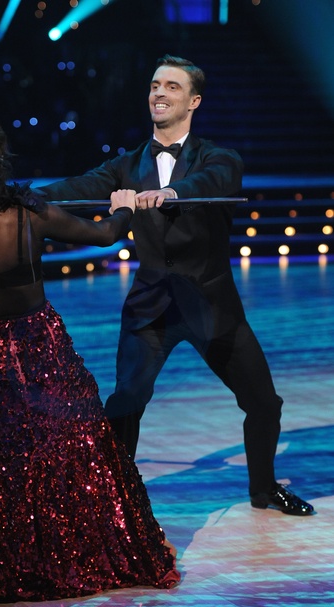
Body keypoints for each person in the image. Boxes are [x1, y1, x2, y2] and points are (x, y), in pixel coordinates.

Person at [0, 110, 179, 607]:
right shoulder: (27, 216)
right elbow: (105, 236)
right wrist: (124, 207)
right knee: (75, 448)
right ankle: (71, 560)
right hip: (38, 347)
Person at [36, 55, 314, 517]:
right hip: (151, 306)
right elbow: (78, 187)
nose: (159, 93)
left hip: (210, 304)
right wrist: (23, 196)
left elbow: (212, 180)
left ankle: (264, 489)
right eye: (154, 85)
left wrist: (171, 193)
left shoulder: (219, 158)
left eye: (171, 86)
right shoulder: (126, 164)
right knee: (126, 400)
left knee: (264, 402)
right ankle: (115, 503)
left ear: (194, 101)